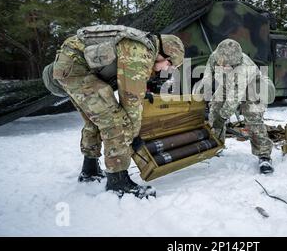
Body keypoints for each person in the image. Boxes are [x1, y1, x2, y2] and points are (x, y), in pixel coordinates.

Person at [43, 25, 184, 198]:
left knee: (96, 119)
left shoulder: (142, 45)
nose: (167, 69)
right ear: (165, 52)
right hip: (76, 69)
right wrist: (133, 137)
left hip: (71, 65)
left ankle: (90, 169)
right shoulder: (139, 51)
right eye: (169, 63)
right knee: (116, 121)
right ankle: (118, 182)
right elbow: (131, 103)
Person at [194, 38, 275, 174]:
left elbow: (233, 99)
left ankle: (264, 155)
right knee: (215, 108)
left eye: (227, 65)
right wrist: (202, 90)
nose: (223, 67)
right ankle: (217, 145)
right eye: (222, 64)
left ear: (235, 62)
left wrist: (223, 116)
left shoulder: (244, 68)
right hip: (228, 84)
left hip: (253, 87)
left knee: (253, 119)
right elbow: (208, 75)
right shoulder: (216, 55)